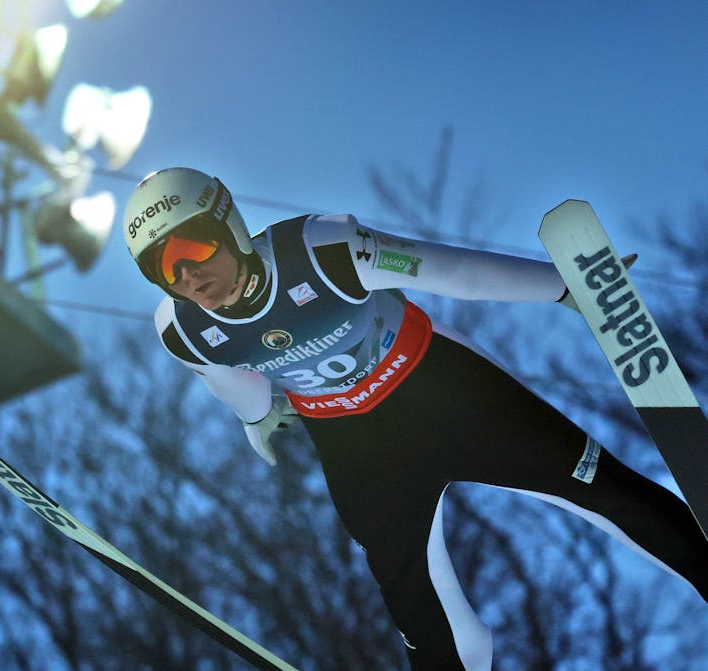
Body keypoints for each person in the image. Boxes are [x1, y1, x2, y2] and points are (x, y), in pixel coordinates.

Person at [122, 167, 708, 670]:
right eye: (163, 268)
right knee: (421, 615)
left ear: (228, 225)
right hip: (357, 451)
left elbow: (448, 272)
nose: (186, 275)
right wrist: (257, 418)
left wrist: (560, 288)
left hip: (446, 394)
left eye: (192, 248)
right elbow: (228, 378)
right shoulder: (182, 329)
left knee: (610, 494)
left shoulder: (323, 250)